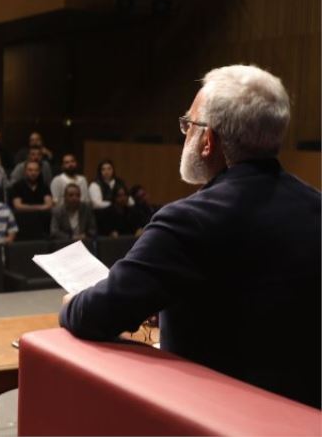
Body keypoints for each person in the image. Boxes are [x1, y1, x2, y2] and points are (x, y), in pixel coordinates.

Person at [59, 65, 321, 408]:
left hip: (217, 414)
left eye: (189, 125)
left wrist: (71, 303)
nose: (186, 135)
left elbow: (95, 315)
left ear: (208, 140)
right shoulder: (316, 206)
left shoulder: (188, 220)